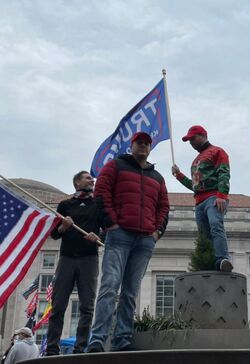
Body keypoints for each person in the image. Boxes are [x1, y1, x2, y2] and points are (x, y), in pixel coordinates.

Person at [87, 131, 170, 353]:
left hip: (145, 240)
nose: (143, 146)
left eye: (146, 144)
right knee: (109, 286)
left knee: (131, 291)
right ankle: (98, 339)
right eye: (139, 143)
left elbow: (164, 207)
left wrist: (157, 232)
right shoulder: (115, 166)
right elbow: (101, 193)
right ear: (131, 145)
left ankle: (122, 338)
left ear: (150, 148)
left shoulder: (158, 178)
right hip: (119, 235)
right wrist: (111, 223)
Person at [45, 171, 102, 356]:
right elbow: (54, 234)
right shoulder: (65, 205)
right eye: (87, 178)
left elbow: (108, 228)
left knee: (87, 306)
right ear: (77, 182)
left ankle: (80, 348)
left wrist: (98, 236)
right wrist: (63, 227)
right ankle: (52, 348)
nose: (91, 180)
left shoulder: (98, 204)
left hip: (89, 259)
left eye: (91, 179)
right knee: (58, 305)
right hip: (67, 258)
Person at [171, 125, 232, 272]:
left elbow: (224, 173)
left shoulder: (217, 151)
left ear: (203, 135)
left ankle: (222, 259)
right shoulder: (195, 161)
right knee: (204, 235)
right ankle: (209, 261)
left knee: (216, 224)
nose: (191, 142)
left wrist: (222, 195)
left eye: (193, 138)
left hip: (213, 197)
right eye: (189, 140)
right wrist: (178, 175)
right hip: (199, 202)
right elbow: (194, 185)